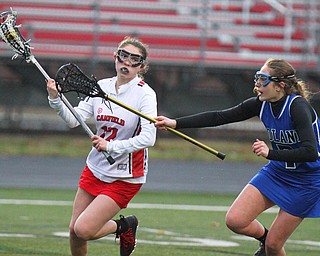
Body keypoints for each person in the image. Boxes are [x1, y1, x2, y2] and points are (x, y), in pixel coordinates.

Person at [154, 58, 320, 256]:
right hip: (278, 172)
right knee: (236, 220)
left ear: (280, 85)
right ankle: (264, 238)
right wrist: (175, 123)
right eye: (257, 78)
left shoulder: (298, 107)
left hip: (307, 181)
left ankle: (269, 244)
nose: (257, 85)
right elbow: (220, 116)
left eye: (263, 80)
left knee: (274, 247)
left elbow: (311, 153)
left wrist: (270, 153)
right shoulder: (262, 104)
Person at [47, 36, 157, 256]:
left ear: (141, 66)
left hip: (126, 176)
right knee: (73, 230)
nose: (126, 62)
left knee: (83, 229)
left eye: (134, 59)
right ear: (115, 58)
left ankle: (124, 226)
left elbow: (148, 138)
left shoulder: (145, 94)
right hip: (96, 168)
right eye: (122, 56)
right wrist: (56, 99)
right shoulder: (100, 87)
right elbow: (73, 119)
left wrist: (111, 146)